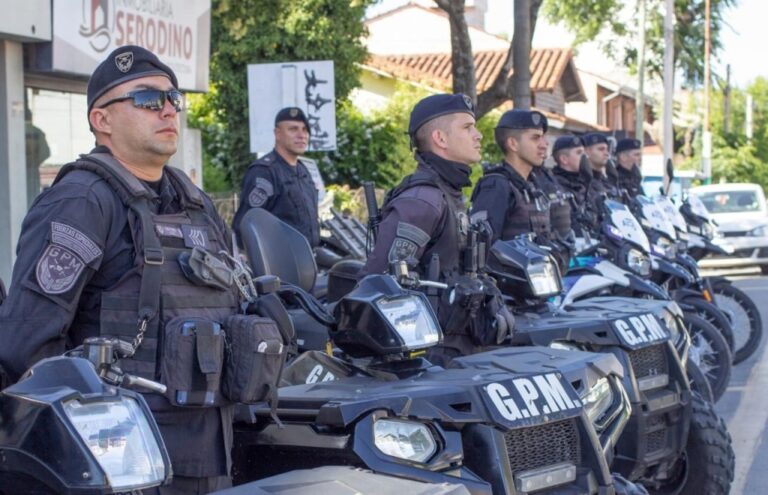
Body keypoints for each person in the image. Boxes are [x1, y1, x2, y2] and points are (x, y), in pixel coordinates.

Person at [0, 46, 238, 494]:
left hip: (209, 452)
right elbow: (27, 346)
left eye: (173, 99)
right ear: (101, 120)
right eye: (148, 99)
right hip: (127, 465)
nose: (168, 109)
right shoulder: (83, 201)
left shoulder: (194, 204)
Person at [361, 93, 510, 363]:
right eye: (467, 128)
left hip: (459, 345)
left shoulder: (450, 194)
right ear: (440, 138)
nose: (478, 135)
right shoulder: (423, 201)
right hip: (430, 357)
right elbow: (378, 284)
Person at [232, 107, 320, 247]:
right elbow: (246, 225)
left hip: (309, 260)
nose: (301, 135)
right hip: (280, 263)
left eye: (304, 129)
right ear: (277, 133)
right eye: (293, 129)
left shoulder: (303, 171)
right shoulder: (264, 172)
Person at [469, 109, 552, 245]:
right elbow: (482, 245)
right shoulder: (496, 186)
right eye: (535, 138)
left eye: (543, 137)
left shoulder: (531, 185)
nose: (544, 144)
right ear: (513, 143)